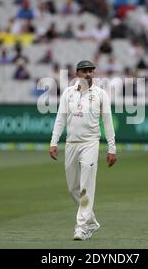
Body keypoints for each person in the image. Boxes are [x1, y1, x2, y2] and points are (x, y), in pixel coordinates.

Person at [49, 60, 117, 241]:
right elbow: (60, 119)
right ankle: (92, 222)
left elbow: (108, 123)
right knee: (73, 188)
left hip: (90, 143)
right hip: (71, 143)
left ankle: (81, 227)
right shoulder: (68, 93)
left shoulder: (101, 94)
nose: (88, 74)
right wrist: (53, 142)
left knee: (86, 187)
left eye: (91, 71)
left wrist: (112, 148)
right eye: (85, 71)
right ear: (78, 74)